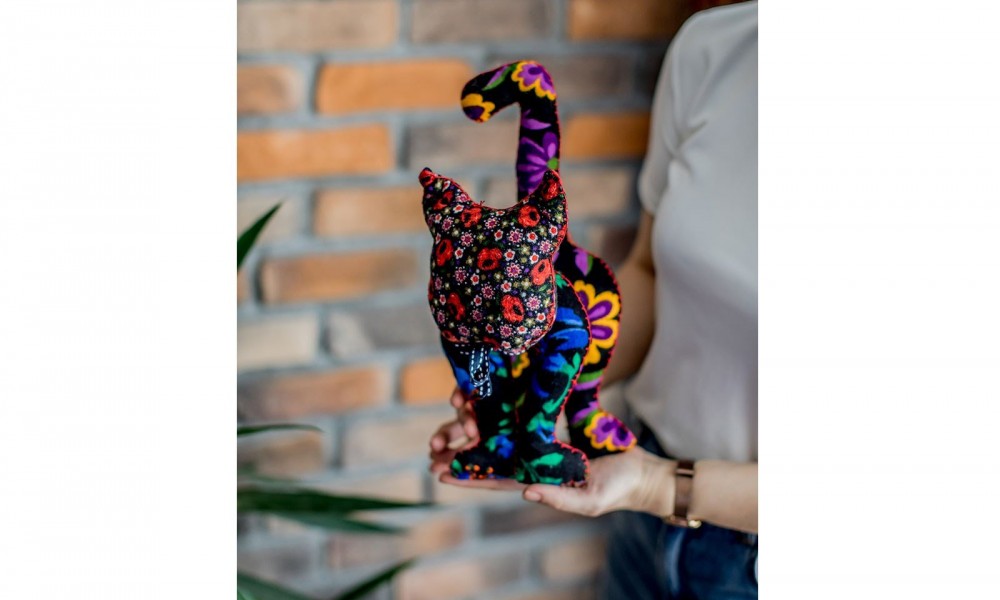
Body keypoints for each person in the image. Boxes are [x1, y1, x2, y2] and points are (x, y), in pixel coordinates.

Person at [429, 2, 758, 597]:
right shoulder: (718, 45)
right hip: (643, 510)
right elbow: (651, 274)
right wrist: (519, 400)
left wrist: (656, 485)